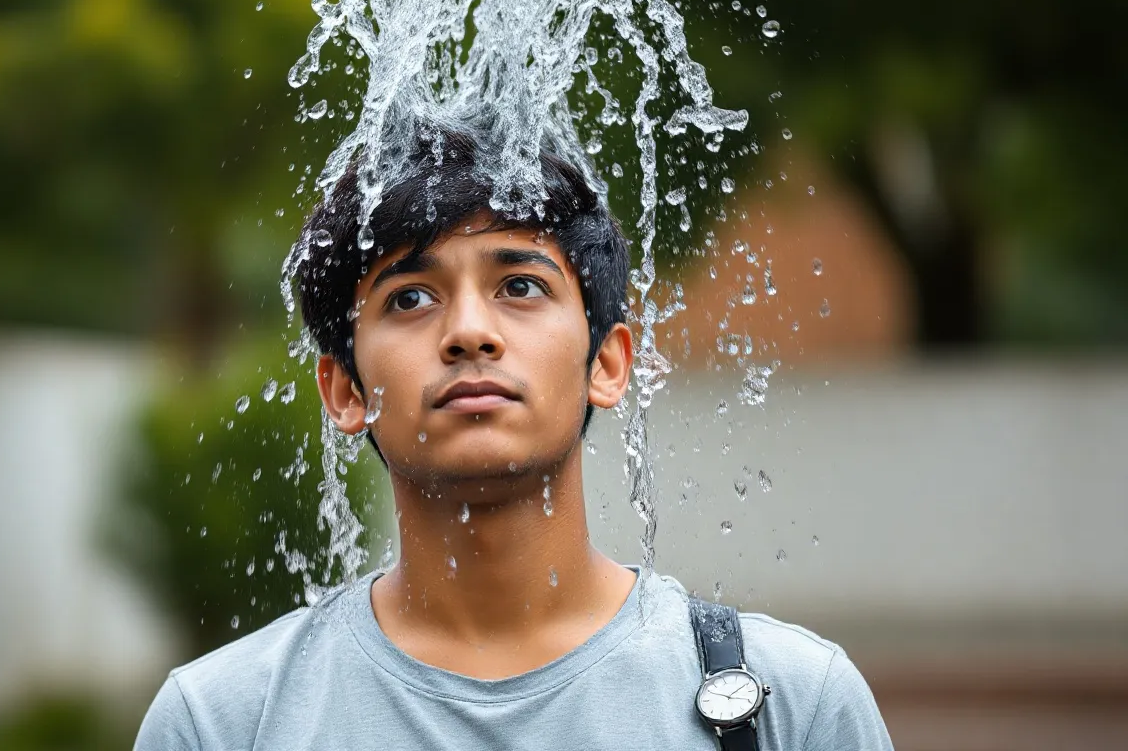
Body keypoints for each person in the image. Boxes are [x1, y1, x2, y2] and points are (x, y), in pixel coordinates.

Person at [134, 124, 894, 750]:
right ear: (344, 390)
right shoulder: (222, 724)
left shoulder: (792, 708)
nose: (470, 331)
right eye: (410, 298)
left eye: (521, 286)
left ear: (606, 363)